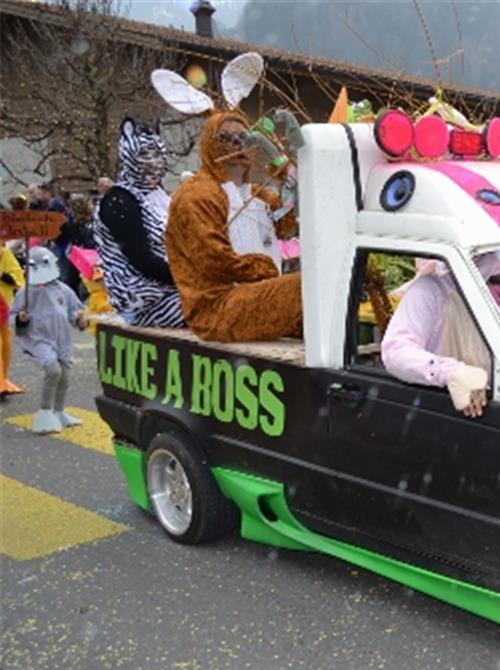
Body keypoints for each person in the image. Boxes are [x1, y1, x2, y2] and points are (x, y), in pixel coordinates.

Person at [166, 111, 302, 342]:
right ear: (210, 144)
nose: (238, 143)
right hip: (217, 308)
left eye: (246, 137)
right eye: (226, 138)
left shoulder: (256, 194)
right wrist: (264, 268)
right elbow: (214, 260)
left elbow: (286, 225)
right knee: (305, 288)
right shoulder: (197, 195)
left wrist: (287, 177)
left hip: (255, 296)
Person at [381, 250, 500, 417]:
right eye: (498, 293)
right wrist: (452, 372)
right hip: (432, 409)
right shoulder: (429, 292)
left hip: (490, 410)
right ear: (477, 280)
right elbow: (396, 351)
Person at [94, 118, 186, 328]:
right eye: (145, 155)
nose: (153, 162)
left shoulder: (158, 196)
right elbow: (142, 260)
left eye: (158, 154)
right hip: (144, 300)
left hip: (175, 287)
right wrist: (191, 277)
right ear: (129, 157)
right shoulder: (119, 200)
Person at [9, 247, 87, 434]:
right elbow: (12, 315)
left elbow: (74, 310)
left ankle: (59, 411)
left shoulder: (64, 289)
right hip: (39, 338)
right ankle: (45, 413)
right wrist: (20, 318)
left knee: (64, 377)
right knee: (53, 371)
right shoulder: (25, 292)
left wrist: (80, 320)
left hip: (62, 338)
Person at [0, 244, 25, 395]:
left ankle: (3, 378)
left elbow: (18, 280)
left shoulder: (5, 254)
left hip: (4, 305)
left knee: (6, 344)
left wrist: (2, 275)